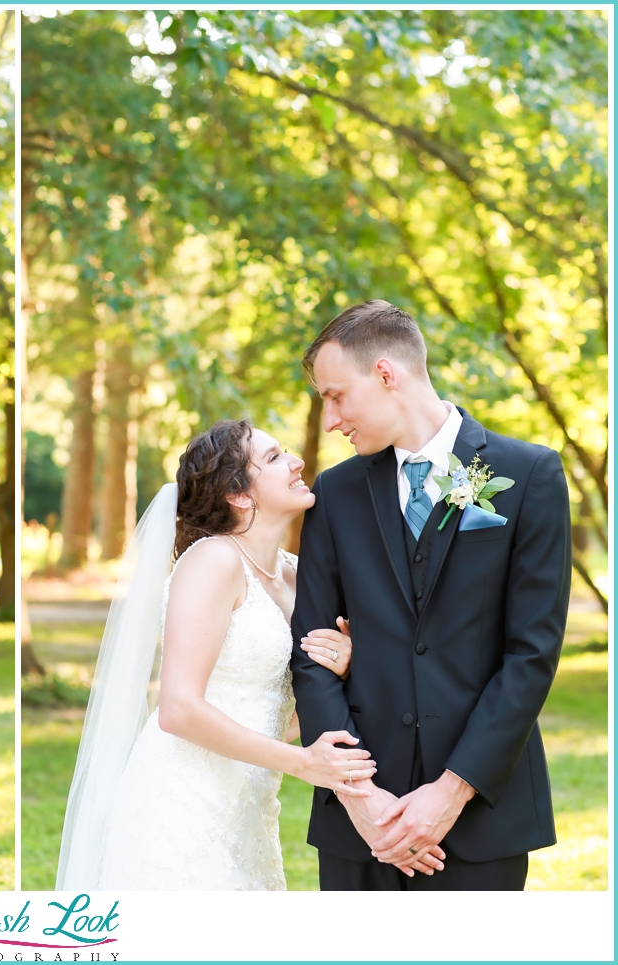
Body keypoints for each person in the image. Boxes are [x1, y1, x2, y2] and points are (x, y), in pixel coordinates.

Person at [291, 299, 571, 890]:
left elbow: (532, 655)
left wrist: (451, 792)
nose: (332, 418)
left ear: (386, 374)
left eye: (336, 396)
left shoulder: (529, 476)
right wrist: (360, 799)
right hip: (362, 825)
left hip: (481, 815)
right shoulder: (334, 494)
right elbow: (309, 653)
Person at [57, 420, 387, 890]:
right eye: (274, 458)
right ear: (239, 495)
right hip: (183, 805)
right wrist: (301, 763)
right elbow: (178, 709)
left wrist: (347, 664)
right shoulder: (213, 561)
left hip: (250, 810)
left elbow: (274, 715)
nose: (297, 462)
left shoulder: (295, 574)